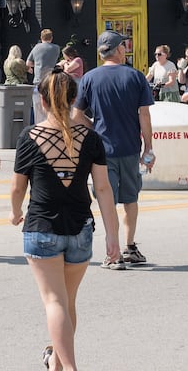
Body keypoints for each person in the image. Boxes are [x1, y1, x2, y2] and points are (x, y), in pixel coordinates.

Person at [11, 69, 120, 371]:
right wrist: (113, 235)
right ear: (74, 100)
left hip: (42, 227)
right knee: (67, 303)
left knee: (54, 303)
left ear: (42, 101)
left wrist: (14, 211)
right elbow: (102, 188)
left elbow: (18, 186)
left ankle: (69, 368)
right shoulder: (90, 137)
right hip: (80, 229)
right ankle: (56, 365)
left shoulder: (29, 137)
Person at [73, 30, 153, 271]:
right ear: (119, 50)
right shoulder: (136, 77)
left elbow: (76, 116)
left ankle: (114, 251)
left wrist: (95, 128)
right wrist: (149, 147)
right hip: (129, 147)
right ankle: (130, 247)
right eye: (124, 47)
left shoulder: (89, 78)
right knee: (131, 198)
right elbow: (144, 115)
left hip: (101, 151)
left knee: (107, 202)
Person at [27, 29, 63, 119]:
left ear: (41, 37)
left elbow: (28, 63)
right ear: (51, 38)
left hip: (38, 80)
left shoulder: (36, 47)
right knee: (52, 106)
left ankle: (39, 127)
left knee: (38, 108)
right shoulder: (56, 48)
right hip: (51, 79)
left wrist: (37, 65)